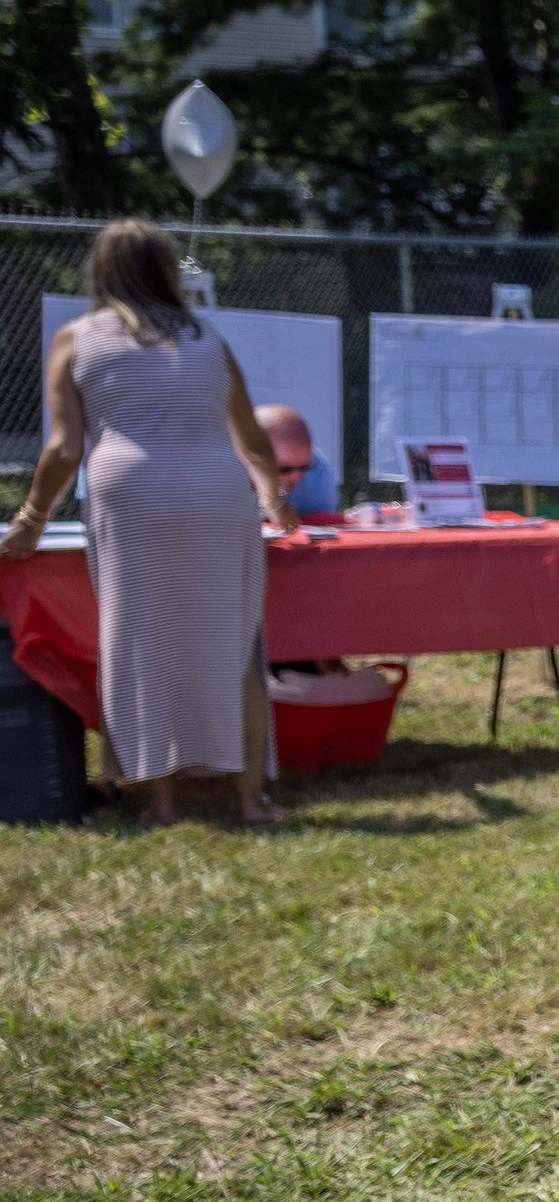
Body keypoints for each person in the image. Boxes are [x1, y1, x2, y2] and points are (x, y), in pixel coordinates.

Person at [3, 222, 293, 826]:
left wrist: (30, 521)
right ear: (166, 271)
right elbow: (253, 443)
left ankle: (160, 803)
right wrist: (275, 501)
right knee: (235, 646)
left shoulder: (76, 338)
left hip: (131, 496)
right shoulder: (208, 338)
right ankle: (250, 800)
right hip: (218, 496)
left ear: (100, 271)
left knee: (142, 644)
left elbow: (63, 449)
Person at [254, 406, 341, 520]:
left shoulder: (318, 472)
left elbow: (322, 525)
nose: (296, 478)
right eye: (284, 469)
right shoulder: (232, 471)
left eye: (304, 467)